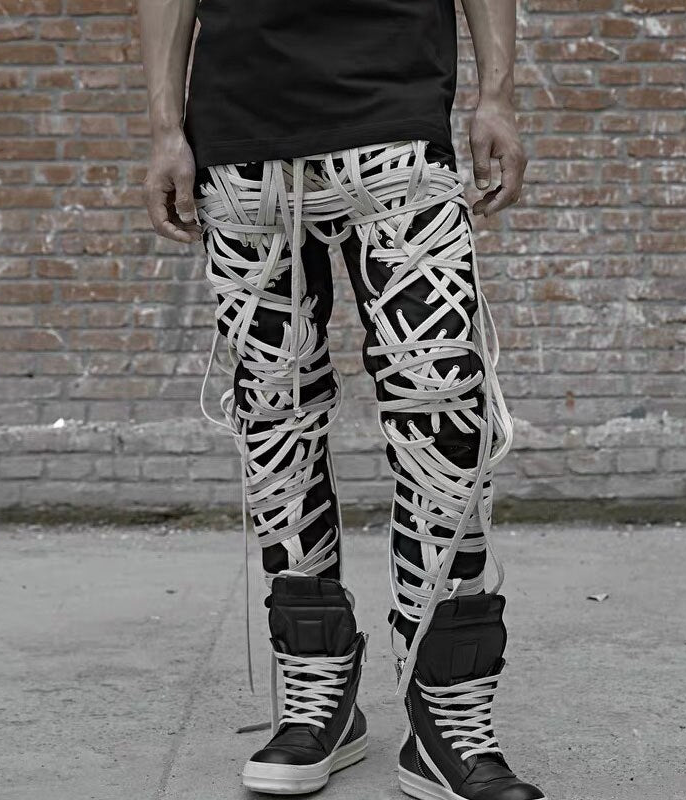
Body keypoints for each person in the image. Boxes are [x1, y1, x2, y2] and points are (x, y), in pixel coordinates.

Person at [138, 1, 546, 798]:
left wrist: (497, 95)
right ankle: (316, 695)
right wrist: (163, 128)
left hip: (399, 129)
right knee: (275, 421)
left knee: (445, 413)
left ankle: (447, 713)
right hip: (245, 144)